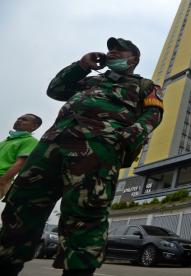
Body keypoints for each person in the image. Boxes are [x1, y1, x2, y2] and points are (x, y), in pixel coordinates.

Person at [0, 37, 164, 276]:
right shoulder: (90, 80)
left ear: (134, 59)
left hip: (97, 148)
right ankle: (7, 261)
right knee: (22, 206)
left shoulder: (145, 85)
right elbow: (55, 90)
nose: (113, 53)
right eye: (111, 50)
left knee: (85, 212)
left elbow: (154, 113)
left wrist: (126, 137)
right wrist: (81, 65)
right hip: (51, 145)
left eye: (120, 51)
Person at [0, 114, 41, 199]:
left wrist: (3, 182)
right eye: (18, 118)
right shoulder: (6, 140)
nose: (19, 120)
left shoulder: (30, 141)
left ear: (34, 126)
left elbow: (20, 163)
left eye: (24, 119)